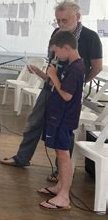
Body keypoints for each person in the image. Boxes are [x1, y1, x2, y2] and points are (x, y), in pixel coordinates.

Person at [0, 0, 103, 180]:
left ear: (78, 17)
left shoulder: (90, 37)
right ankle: (22, 157)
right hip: (50, 87)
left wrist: (78, 82)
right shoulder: (57, 33)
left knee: (64, 130)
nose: (61, 24)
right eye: (58, 20)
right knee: (34, 122)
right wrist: (45, 75)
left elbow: (97, 66)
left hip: (69, 93)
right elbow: (53, 62)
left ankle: (60, 172)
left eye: (65, 20)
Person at [38, 31, 85, 210]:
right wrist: (55, 73)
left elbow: (66, 95)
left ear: (66, 47)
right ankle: (59, 186)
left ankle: (64, 196)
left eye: (57, 52)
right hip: (58, 116)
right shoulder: (70, 64)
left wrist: (54, 76)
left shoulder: (77, 68)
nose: (57, 56)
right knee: (59, 153)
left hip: (64, 119)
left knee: (64, 156)